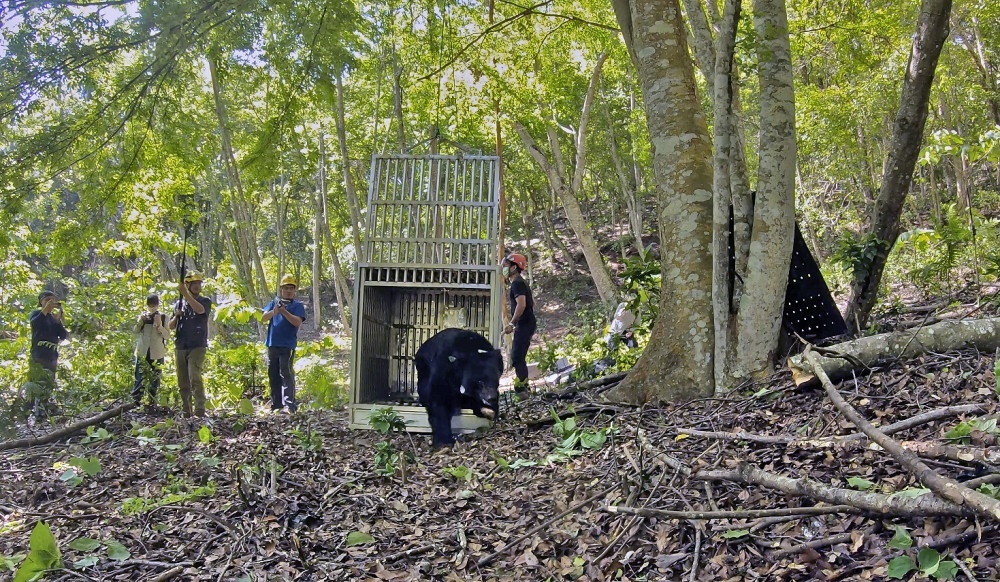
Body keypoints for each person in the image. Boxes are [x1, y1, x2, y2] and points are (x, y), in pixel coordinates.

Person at [168, 272, 212, 417]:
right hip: (181, 344)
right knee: (183, 379)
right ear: (188, 285)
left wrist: (185, 294)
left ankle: (200, 408)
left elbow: (200, 311)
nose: (197, 286)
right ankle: (186, 409)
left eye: (199, 284)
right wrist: (177, 315)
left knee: (195, 376)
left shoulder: (205, 301)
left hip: (197, 344)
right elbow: (171, 326)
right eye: (194, 284)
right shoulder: (179, 304)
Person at [262, 274, 307, 412]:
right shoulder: (273, 302)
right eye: (286, 288)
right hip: (272, 343)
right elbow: (263, 317)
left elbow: (297, 322)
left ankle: (290, 405)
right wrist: (275, 311)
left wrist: (284, 311)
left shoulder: (297, 306)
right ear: (281, 289)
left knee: (286, 373)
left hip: (287, 345)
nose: (288, 291)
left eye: (291, 288)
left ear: (294, 291)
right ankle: (276, 404)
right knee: (273, 374)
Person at [26, 290, 69, 415]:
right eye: (47, 301)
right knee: (37, 383)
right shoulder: (36, 314)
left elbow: (63, 336)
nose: (50, 303)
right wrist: (45, 309)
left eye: (52, 301)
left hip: (52, 356)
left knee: (48, 384)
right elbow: (35, 323)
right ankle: (31, 411)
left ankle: (44, 410)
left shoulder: (52, 318)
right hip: (38, 356)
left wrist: (59, 319)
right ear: (41, 302)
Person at [501, 253, 536, 393]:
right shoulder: (521, 282)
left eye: (507, 266)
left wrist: (512, 323)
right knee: (518, 356)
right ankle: (522, 387)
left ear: (514, 267)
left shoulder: (517, 283)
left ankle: (522, 388)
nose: (504, 268)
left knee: (517, 356)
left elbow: (521, 305)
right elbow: (532, 302)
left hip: (524, 324)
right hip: (526, 323)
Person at [132, 294, 169, 409]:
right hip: (142, 350)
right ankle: (135, 400)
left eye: (154, 305)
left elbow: (167, 336)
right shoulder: (143, 316)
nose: (152, 308)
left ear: (158, 305)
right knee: (139, 376)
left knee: (155, 377)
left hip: (157, 351)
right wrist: (141, 322)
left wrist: (159, 325)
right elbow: (135, 331)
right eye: (150, 305)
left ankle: (152, 401)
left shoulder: (163, 317)